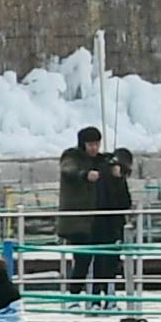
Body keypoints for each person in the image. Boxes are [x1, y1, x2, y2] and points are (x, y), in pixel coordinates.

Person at [57, 126, 132, 300]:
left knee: (104, 261)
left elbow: (124, 164)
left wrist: (118, 173)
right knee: (82, 261)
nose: (94, 148)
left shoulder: (103, 162)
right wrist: (85, 175)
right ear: (82, 144)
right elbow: (69, 170)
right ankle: (74, 297)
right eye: (90, 144)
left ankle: (101, 296)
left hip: (104, 222)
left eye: (97, 144)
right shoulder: (72, 157)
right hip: (81, 223)